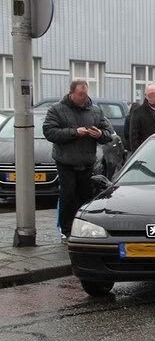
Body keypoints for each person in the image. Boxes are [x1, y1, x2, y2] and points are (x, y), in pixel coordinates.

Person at [43, 79, 113, 238]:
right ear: (71, 93)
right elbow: (49, 132)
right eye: (81, 94)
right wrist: (75, 132)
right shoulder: (56, 109)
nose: (84, 97)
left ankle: (84, 229)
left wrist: (100, 134)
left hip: (87, 162)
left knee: (85, 197)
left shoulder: (95, 110)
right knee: (68, 196)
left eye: (86, 94)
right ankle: (66, 231)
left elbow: (109, 133)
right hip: (65, 162)